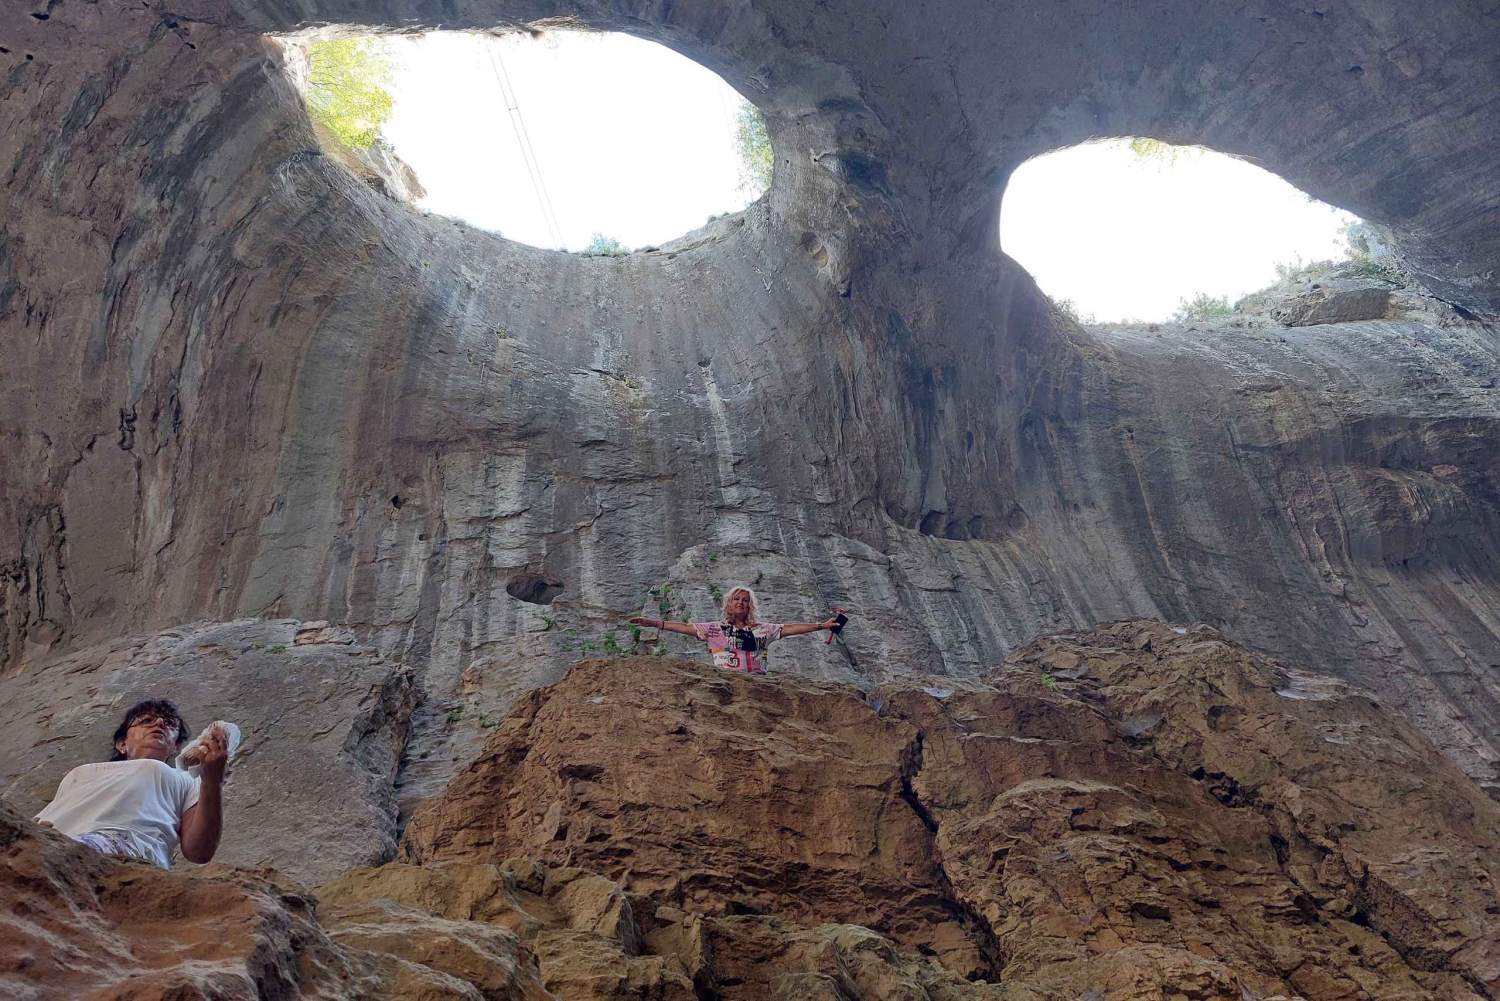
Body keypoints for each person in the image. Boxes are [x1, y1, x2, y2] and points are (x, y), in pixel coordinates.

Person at [35, 698, 229, 868]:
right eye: (146, 720)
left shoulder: (185, 779)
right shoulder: (80, 772)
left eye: (170, 723)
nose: (160, 722)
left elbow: (198, 851)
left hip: (123, 847)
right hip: (53, 836)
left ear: (175, 747)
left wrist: (212, 780)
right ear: (122, 744)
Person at [628, 585, 843, 675]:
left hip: (758, 680)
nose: (740, 603)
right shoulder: (715, 629)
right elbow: (684, 627)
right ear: (729, 603)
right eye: (736, 599)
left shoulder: (762, 630)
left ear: (750, 605)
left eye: (745, 600)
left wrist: (822, 626)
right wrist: (654, 623)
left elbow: (790, 628)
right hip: (726, 680)